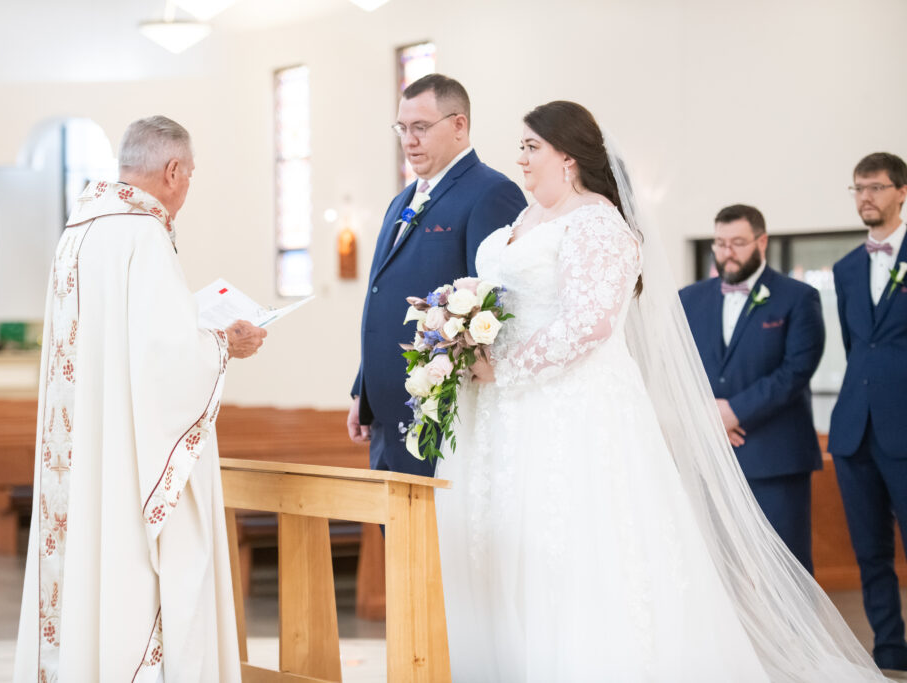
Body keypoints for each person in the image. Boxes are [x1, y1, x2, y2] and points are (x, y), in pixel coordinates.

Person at [435, 101, 886, 681]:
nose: (519, 157)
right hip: (504, 414)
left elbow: (591, 324)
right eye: (520, 146)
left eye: (531, 146)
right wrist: (463, 335)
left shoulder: (598, 224)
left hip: (569, 410)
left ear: (568, 157)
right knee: (510, 546)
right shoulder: (520, 224)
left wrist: (506, 368)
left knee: (571, 542)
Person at [13, 116, 265, 683]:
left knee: (89, 576)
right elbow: (167, 360)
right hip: (127, 456)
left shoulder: (78, 231)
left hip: (88, 452)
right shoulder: (142, 233)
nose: (189, 187)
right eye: (191, 174)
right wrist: (227, 344)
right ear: (173, 170)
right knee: (143, 566)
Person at [348, 73, 526, 477]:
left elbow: (496, 308)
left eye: (421, 128)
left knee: (436, 538)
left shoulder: (491, 193)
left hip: (442, 413)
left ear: (459, 125)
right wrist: (364, 390)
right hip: (385, 415)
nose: (409, 140)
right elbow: (382, 296)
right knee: (395, 538)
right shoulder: (402, 201)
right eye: (403, 128)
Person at [679, 204, 825, 573]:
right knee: (717, 568)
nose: (727, 252)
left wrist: (733, 411)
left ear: (762, 241)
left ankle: (794, 634)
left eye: (738, 242)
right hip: (710, 455)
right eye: (720, 243)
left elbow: (796, 370)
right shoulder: (689, 299)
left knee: (787, 568)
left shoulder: (798, 297)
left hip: (775, 454)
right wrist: (707, 412)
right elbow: (677, 367)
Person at [829, 152, 907, 672]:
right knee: (870, 551)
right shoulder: (846, 268)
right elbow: (856, 343)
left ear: (901, 192)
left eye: (875, 187)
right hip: (855, 430)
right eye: (858, 188)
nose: (865, 198)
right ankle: (890, 650)